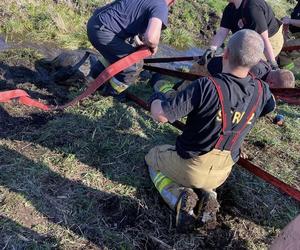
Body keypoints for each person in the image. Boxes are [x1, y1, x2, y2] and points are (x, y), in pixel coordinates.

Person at [145, 29, 276, 232]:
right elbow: (269, 108)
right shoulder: (262, 91)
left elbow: (161, 116)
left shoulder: (205, 86)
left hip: (191, 165)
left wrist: (156, 100)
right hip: (222, 172)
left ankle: (178, 197)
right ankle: (209, 195)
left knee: (152, 157)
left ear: (225, 54)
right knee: (207, 179)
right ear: (256, 62)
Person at [86, 0, 175, 96]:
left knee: (116, 54)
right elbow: (151, 38)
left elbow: (129, 14)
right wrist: (153, 46)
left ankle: (92, 78)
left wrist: (137, 38)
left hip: (95, 22)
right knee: (134, 64)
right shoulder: (161, 6)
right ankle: (108, 93)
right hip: (104, 32)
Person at [205, 0, 283, 70]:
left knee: (243, 66)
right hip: (248, 41)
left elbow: (264, 40)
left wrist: (273, 64)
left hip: (271, 42)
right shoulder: (230, 8)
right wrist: (211, 49)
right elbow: (222, 33)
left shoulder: (252, 7)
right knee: (219, 63)